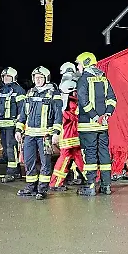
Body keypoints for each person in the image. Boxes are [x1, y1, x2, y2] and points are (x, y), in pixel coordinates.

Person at [15, 67, 63, 200]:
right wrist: (18, 129)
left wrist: (56, 133)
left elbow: (58, 115)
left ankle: (42, 189)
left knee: (45, 162)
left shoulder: (53, 94)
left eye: (40, 77)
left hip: (45, 136)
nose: (38, 80)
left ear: (46, 79)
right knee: (28, 161)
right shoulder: (30, 93)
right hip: (29, 135)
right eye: (36, 77)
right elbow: (23, 114)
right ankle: (31, 187)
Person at [74, 52, 117, 196]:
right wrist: (107, 114)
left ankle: (90, 186)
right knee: (104, 154)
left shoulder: (83, 79)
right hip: (103, 126)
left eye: (79, 64)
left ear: (86, 63)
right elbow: (112, 99)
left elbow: (83, 100)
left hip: (88, 125)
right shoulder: (103, 78)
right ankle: (106, 186)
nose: (78, 67)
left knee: (90, 154)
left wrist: (95, 117)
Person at [50, 62, 86, 191]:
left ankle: (91, 180)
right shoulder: (74, 91)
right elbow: (70, 113)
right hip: (72, 132)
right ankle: (55, 183)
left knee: (75, 156)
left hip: (69, 132)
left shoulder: (64, 91)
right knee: (72, 156)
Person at [0, 67, 25, 183]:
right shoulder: (2, 90)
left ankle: (12, 172)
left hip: (12, 126)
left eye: (8, 76)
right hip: (3, 125)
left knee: (11, 148)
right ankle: (15, 170)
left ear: (14, 77)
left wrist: (19, 125)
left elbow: (22, 109)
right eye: (4, 77)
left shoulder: (18, 90)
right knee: (5, 146)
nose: (6, 78)